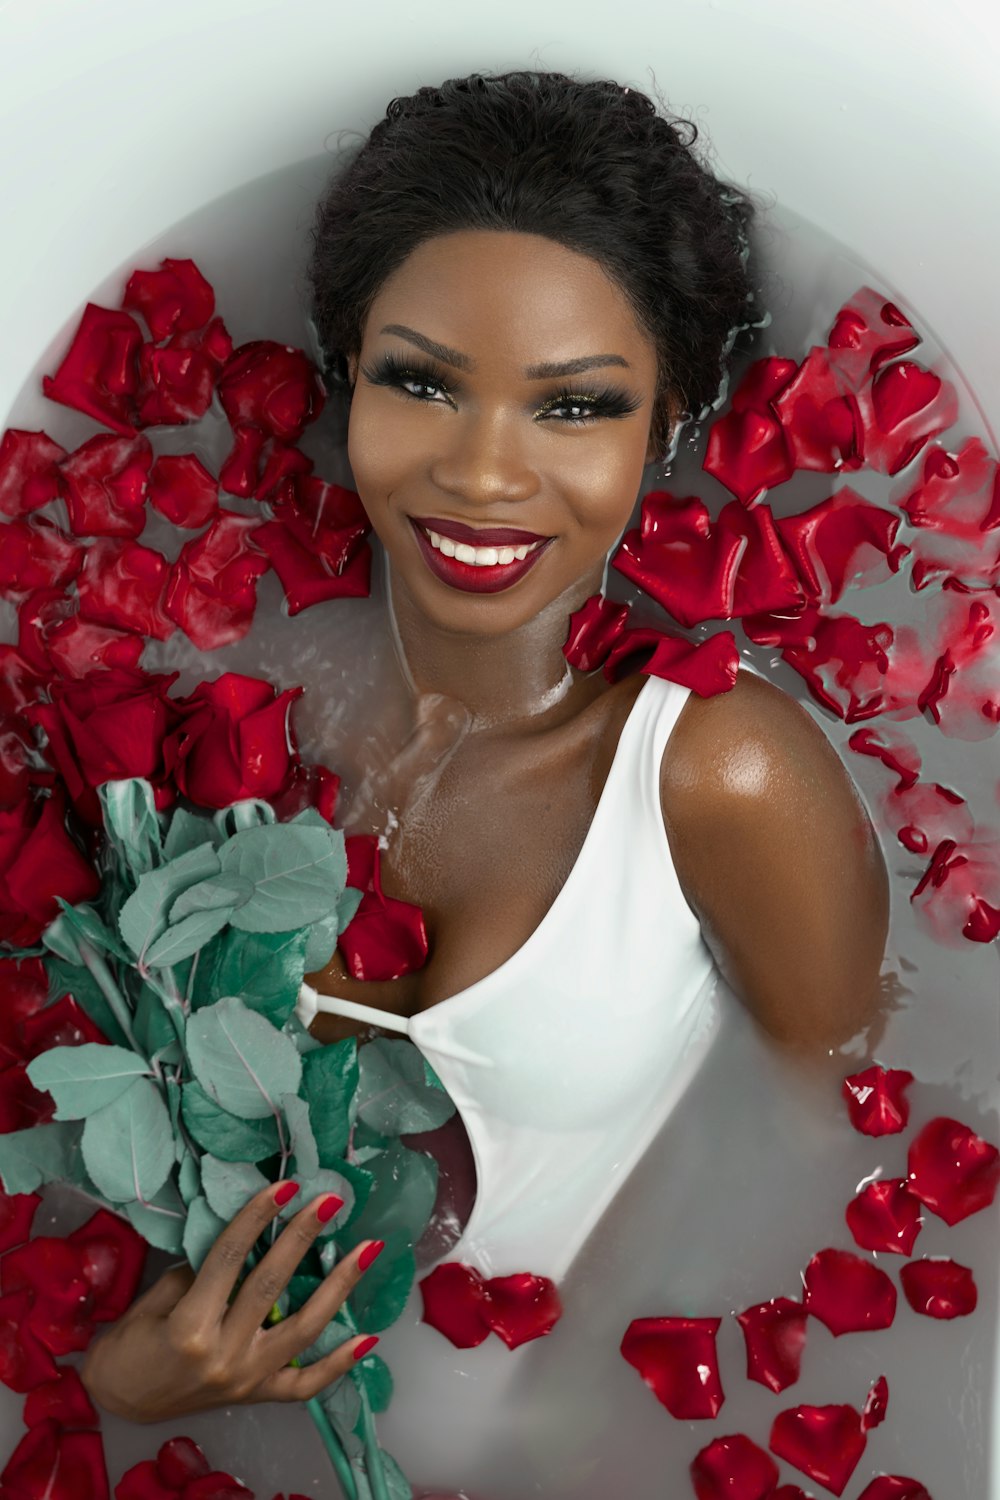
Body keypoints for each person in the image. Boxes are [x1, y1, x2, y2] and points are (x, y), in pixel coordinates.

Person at [81, 66, 889, 1453]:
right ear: (344, 380)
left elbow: (828, 1132)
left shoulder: (717, 771)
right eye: (421, 383)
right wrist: (116, 1394)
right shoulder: (219, 699)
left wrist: (591, 1430)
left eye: (574, 407)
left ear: (671, 421)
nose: (484, 473)